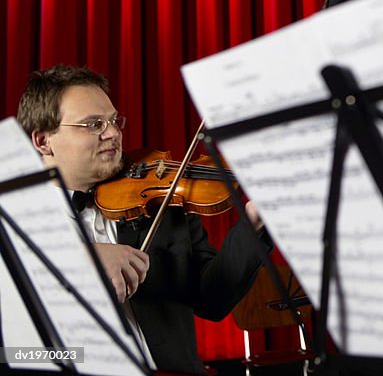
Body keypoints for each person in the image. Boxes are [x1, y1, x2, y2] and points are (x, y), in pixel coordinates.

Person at [15, 65, 272, 374]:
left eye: (113, 121)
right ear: (43, 141)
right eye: (93, 124)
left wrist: (253, 225)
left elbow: (212, 300)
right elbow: (13, 352)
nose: (112, 133)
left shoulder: (161, 202)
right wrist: (81, 258)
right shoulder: (15, 222)